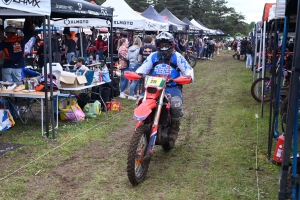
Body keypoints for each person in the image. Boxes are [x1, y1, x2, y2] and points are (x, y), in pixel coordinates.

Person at [135, 31, 194, 142]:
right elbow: (143, 68)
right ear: (157, 45)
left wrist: (188, 77)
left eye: (166, 44)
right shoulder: (153, 56)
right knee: (140, 101)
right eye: (161, 44)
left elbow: (188, 69)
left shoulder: (177, 56)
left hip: (172, 86)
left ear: (171, 44)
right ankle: (144, 125)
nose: (163, 46)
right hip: (154, 86)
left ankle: (174, 129)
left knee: (176, 105)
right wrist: (139, 74)